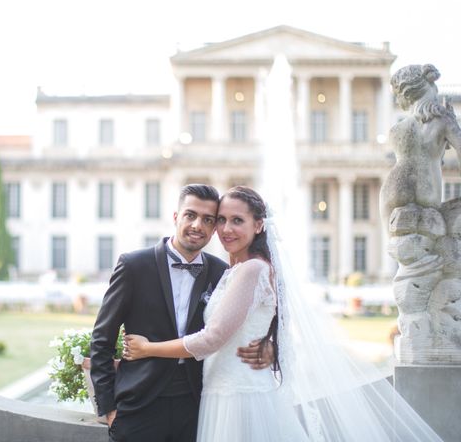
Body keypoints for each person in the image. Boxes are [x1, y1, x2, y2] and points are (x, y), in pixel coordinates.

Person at [124, 186, 443, 442]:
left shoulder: (250, 270)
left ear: (258, 225)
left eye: (237, 221)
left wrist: (148, 349)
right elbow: (260, 322)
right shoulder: (233, 270)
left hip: (239, 398)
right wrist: (270, 343)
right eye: (221, 220)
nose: (225, 229)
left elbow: (212, 338)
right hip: (226, 389)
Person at [90, 184, 274, 442]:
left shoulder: (222, 273)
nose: (198, 225)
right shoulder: (134, 266)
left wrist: (270, 345)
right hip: (139, 407)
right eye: (190, 215)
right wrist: (109, 409)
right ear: (176, 217)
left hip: (197, 407)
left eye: (209, 219)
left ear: (213, 229)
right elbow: (102, 339)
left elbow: (258, 315)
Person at [380, 64, 461, 221]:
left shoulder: (396, 129)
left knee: (393, 243)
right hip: (426, 191)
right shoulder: (443, 120)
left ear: (407, 94)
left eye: (398, 95)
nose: (397, 101)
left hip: (391, 190)